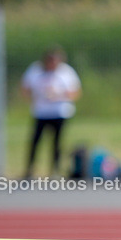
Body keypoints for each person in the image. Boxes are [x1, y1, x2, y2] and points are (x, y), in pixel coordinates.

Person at [21, 47, 81, 178]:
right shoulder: (35, 70)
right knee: (35, 141)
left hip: (59, 112)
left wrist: (58, 94)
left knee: (57, 143)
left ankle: (55, 170)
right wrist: (38, 95)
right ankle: (29, 170)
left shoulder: (66, 72)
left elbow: (75, 92)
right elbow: (25, 89)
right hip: (41, 112)